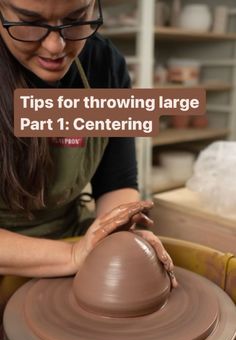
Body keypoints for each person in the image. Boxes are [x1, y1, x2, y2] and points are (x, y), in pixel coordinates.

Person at [0, 0, 177, 286]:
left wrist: (117, 237)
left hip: (70, 232)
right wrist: (72, 255)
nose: (55, 47)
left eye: (75, 19)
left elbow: (116, 182)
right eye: (30, 23)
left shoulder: (104, 63)